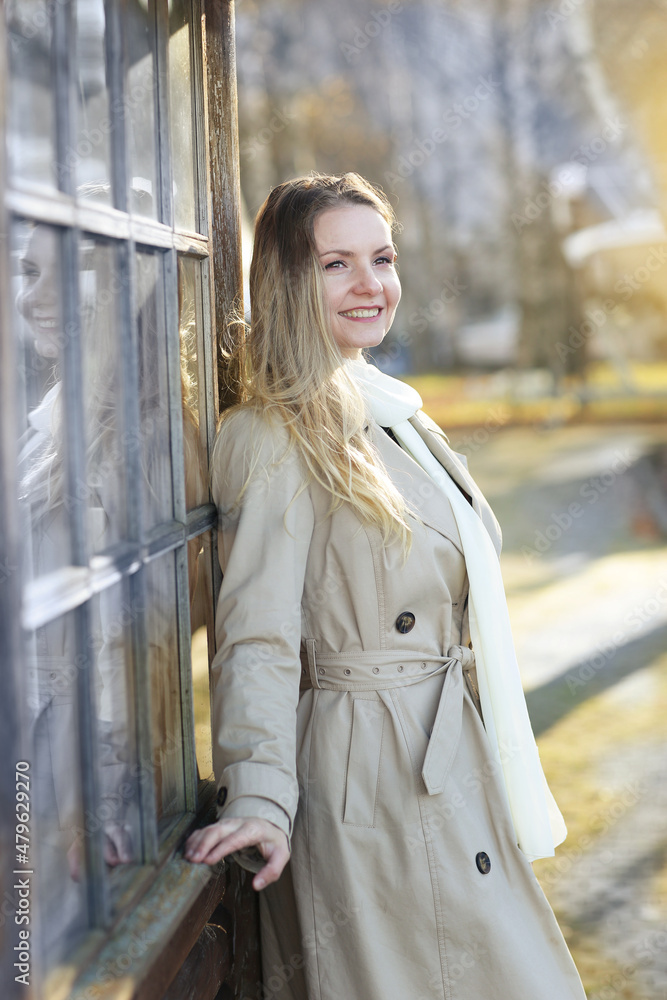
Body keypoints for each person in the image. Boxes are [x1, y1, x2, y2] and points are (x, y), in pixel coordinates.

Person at [184, 172, 586, 1000]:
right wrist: (257, 796)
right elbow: (254, 634)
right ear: (288, 283)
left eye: (382, 257)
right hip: (367, 782)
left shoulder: (388, 407)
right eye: (336, 264)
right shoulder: (269, 433)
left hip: (443, 752)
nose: (371, 284)